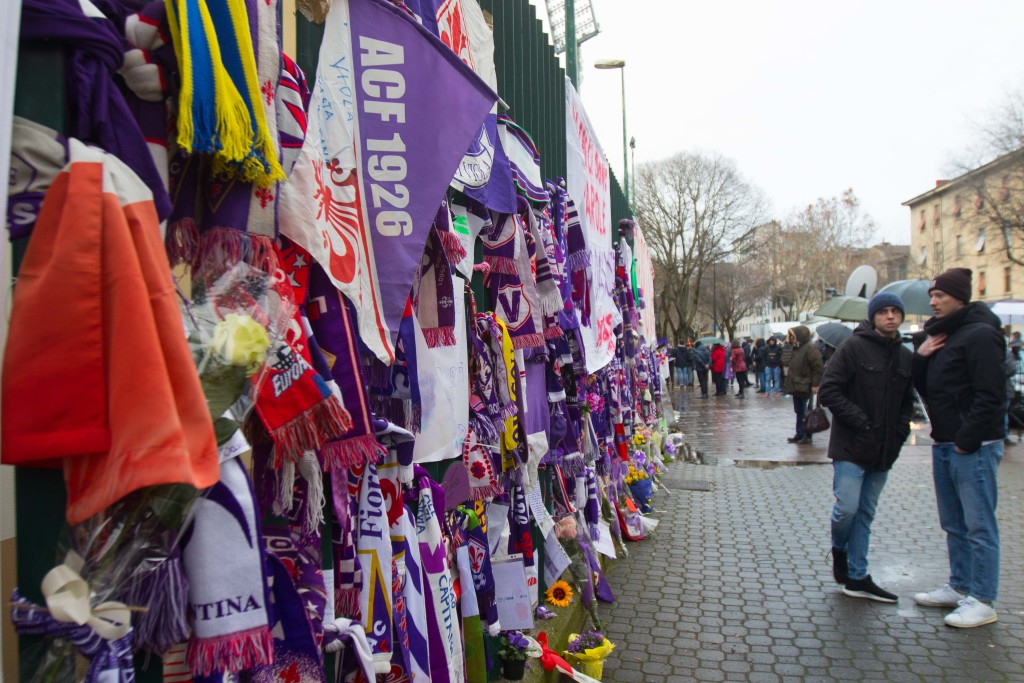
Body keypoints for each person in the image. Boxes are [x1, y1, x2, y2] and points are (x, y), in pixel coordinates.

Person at [912, 267, 1005, 628]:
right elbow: (924, 388)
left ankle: (982, 598)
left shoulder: (980, 334)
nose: (933, 301)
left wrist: (968, 440)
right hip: (946, 442)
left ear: (959, 297)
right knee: (954, 523)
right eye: (932, 295)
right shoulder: (945, 335)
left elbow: (991, 395)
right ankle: (961, 586)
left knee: (979, 525)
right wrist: (920, 357)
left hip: (972, 446)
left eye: (940, 295)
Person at [818, 292, 914, 603]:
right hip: (851, 446)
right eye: (883, 311)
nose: (890, 316)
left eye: (895, 311)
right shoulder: (854, 347)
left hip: (883, 450)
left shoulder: (903, 355)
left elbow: (906, 402)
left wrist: (898, 434)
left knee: (865, 513)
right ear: (872, 316)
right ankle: (840, 549)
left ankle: (858, 576)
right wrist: (859, 420)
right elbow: (829, 390)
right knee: (847, 508)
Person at [783, 325, 823, 444]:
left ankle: (807, 435)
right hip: (796, 384)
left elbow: (817, 368)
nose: (791, 338)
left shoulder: (810, 348)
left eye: (793, 336)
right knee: (799, 411)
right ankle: (799, 433)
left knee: (806, 412)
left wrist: (815, 384)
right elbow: (785, 361)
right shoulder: (795, 348)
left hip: (806, 385)